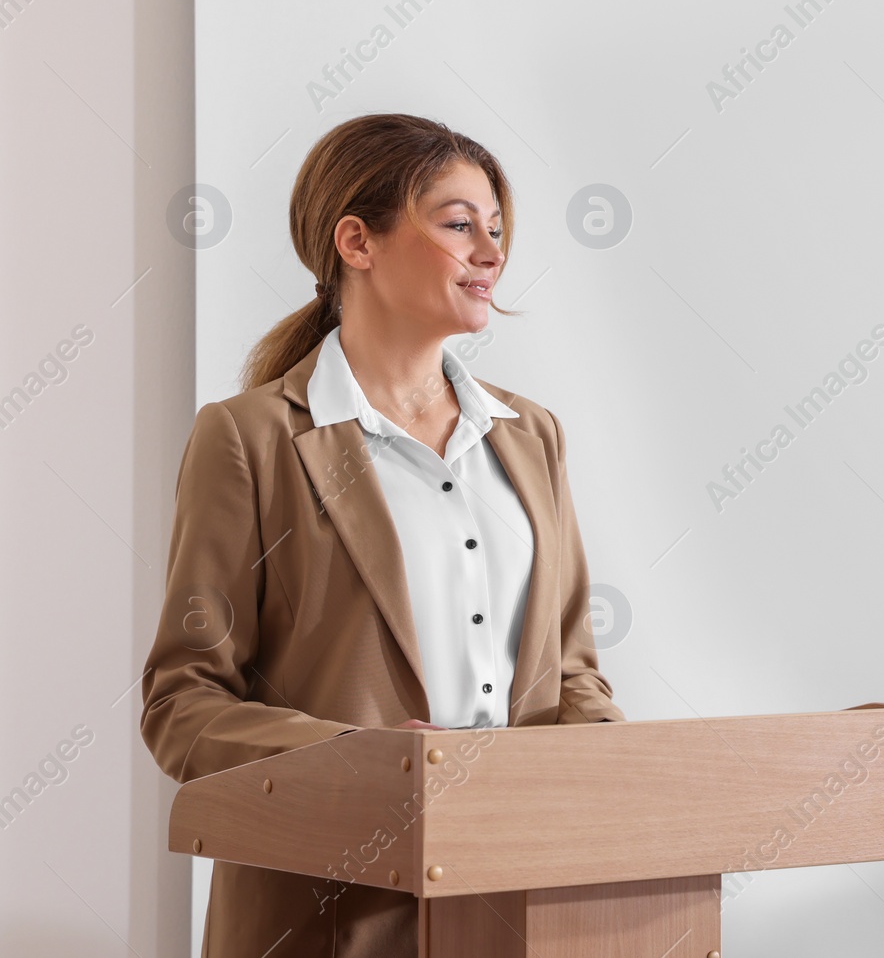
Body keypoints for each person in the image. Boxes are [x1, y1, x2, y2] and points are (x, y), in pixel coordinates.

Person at [139, 113, 623, 956]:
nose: (490, 253)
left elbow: (573, 671)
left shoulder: (530, 435)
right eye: (459, 224)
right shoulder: (249, 440)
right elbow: (184, 704)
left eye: (497, 230)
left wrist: (627, 789)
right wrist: (363, 762)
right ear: (357, 242)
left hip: (525, 910)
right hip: (331, 921)